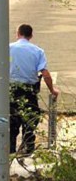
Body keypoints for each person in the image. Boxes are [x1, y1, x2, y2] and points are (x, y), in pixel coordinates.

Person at [9, 24, 59, 155]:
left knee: (12, 123)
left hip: (11, 91)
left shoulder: (8, 48)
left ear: (17, 33)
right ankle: (27, 150)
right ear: (31, 36)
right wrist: (52, 90)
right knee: (30, 121)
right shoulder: (38, 51)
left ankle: (10, 154)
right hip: (29, 91)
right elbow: (46, 74)